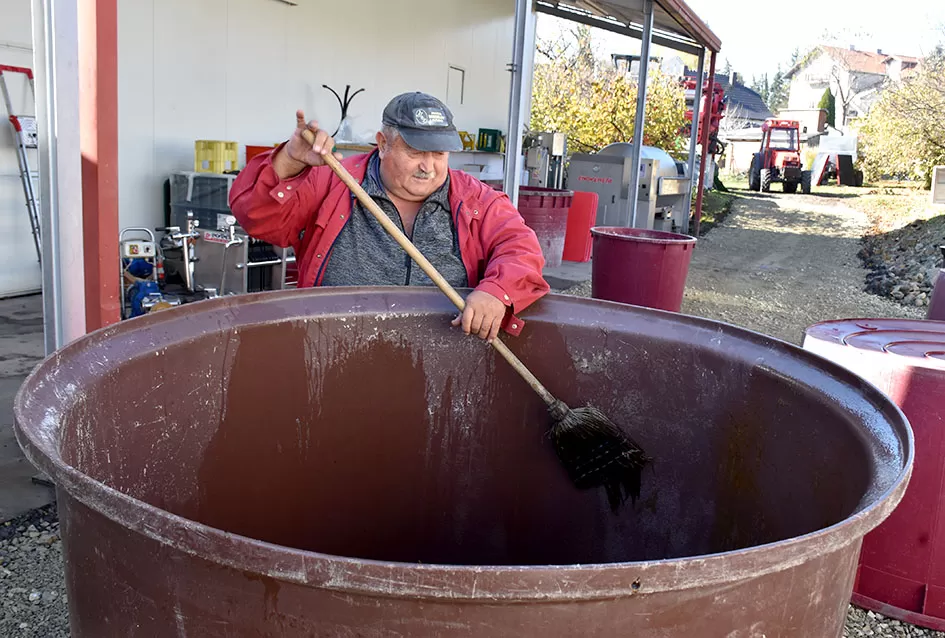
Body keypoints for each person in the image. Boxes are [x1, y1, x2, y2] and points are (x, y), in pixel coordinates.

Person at [229, 91, 550, 342]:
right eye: (415, 152)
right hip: (331, 356)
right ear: (383, 144)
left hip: (443, 365)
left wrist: (497, 292)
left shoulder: (477, 199)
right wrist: (289, 161)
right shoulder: (333, 181)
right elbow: (256, 217)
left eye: (439, 154)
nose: (429, 166)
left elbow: (520, 248)